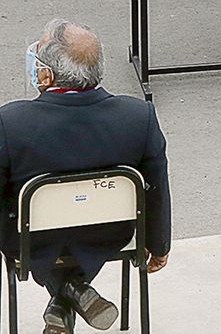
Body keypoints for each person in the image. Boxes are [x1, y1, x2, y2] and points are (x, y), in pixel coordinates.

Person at [7, 20, 171, 334]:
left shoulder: (11, 123)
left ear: (46, 75)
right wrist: (158, 244)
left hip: (30, 239)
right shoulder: (139, 118)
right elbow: (156, 189)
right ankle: (75, 290)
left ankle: (66, 292)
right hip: (109, 233)